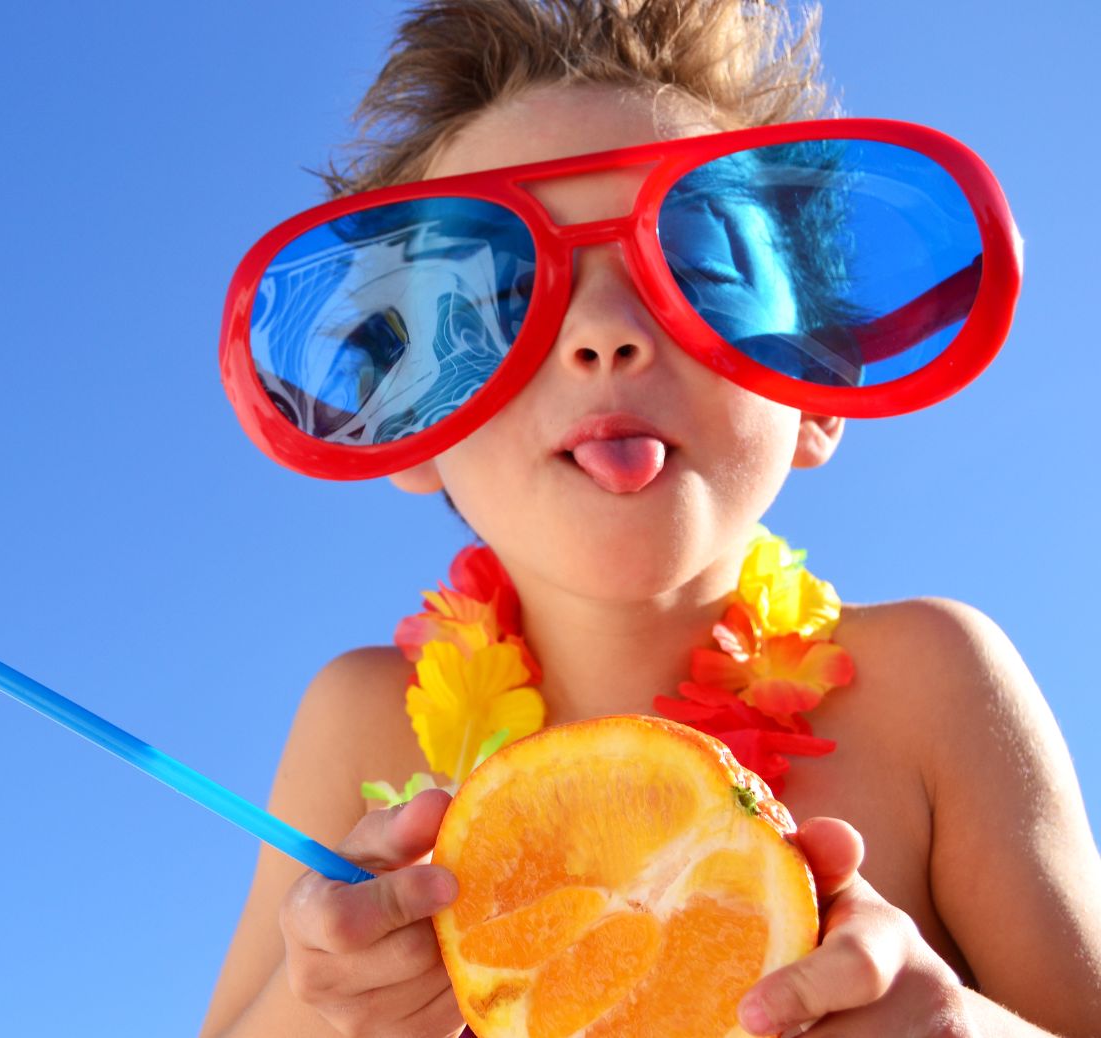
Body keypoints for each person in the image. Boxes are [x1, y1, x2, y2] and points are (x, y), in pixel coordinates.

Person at [201, 2, 1101, 1035]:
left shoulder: (932, 679)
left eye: (702, 269)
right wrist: (328, 1011)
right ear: (415, 424)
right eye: (494, 298)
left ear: (813, 391)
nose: (602, 333)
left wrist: (963, 1032)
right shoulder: (365, 716)